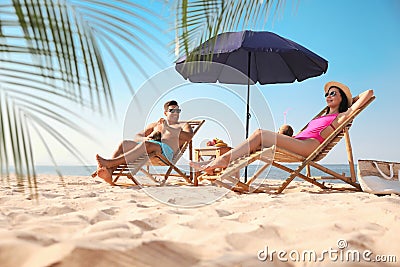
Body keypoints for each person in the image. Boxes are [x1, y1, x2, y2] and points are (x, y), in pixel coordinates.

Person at [190, 81, 374, 174]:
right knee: (258, 139)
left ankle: (220, 161)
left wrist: (351, 102)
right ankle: (220, 162)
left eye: (334, 93)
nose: (329, 95)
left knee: (260, 134)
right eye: (327, 93)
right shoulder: (322, 115)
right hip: (298, 142)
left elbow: (368, 93)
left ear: (342, 98)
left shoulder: (341, 116)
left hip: (308, 147)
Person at [93, 100, 194, 185]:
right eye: (172, 110)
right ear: (165, 113)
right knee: (124, 144)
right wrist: (147, 139)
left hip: (166, 153)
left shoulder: (183, 125)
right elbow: (137, 137)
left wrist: (167, 128)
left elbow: (189, 137)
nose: (176, 113)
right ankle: (109, 172)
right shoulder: (155, 125)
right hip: (149, 148)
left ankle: (109, 163)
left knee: (147, 145)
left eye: (178, 110)